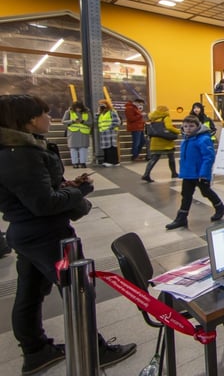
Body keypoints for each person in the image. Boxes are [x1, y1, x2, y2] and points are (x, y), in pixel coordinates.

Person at [0, 94, 136, 374]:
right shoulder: (22, 155)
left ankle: (35, 350)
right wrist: (79, 191)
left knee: (30, 291)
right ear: (28, 121)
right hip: (44, 234)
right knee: (76, 290)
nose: (49, 118)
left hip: (28, 232)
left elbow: (38, 193)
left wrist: (67, 187)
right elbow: (44, 203)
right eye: (44, 113)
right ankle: (94, 350)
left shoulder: (19, 151)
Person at [166, 115, 224, 229]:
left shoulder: (203, 139)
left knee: (206, 192)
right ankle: (181, 218)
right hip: (189, 173)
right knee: (186, 195)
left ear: (197, 126)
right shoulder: (186, 139)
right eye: (185, 126)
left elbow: (208, 157)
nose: (188, 128)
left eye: (191, 126)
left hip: (200, 174)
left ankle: (220, 207)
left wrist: (203, 174)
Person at [141, 105, 179, 183]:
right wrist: (177, 131)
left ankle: (146, 174)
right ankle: (174, 173)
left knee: (154, 158)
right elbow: (169, 127)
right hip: (166, 141)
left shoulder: (152, 118)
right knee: (171, 157)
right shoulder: (165, 117)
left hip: (155, 141)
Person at [61, 101, 93, 168]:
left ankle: (82, 162)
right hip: (73, 132)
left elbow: (91, 122)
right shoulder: (69, 112)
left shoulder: (87, 112)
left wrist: (83, 121)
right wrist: (72, 121)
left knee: (83, 148)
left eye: (80, 108)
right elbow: (63, 121)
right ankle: (74, 163)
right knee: (73, 148)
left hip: (83, 133)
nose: (78, 109)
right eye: (77, 108)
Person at [97, 99, 121, 166]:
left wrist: (110, 127)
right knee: (106, 147)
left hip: (110, 132)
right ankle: (107, 160)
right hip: (103, 132)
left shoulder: (112, 112)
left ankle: (113, 161)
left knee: (112, 147)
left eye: (103, 104)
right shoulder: (101, 114)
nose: (101, 106)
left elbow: (117, 122)